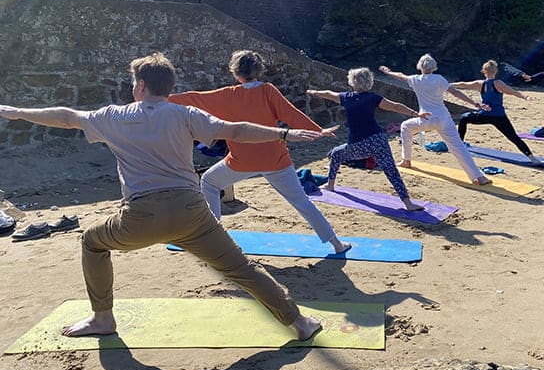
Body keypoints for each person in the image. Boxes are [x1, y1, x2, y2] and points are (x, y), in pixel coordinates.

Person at [0, 52, 328, 340]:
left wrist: (15, 111)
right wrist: (283, 132)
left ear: (140, 86)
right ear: (169, 87)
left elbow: (67, 116)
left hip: (141, 217)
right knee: (241, 268)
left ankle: (103, 318)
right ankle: (298, 322)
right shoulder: (184, 113)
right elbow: (237, 129)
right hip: (193, 214)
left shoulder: (113, 116)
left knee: (91, 241)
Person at [169, 50, 350, 254]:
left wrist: (161, 99)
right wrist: (319, 130)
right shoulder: (267, 90)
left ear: (236, 73)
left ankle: (213, 237)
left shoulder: (229, 94)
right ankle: (336, 244)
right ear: (258, 71)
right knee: (301, 202)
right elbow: (291, 113)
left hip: (241, 162)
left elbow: (195, 99)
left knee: (209, 183)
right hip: (275, 161)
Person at [307, 67, 431, 211]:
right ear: (370, 82)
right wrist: (416, 114)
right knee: (391, 170)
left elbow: (328, 94)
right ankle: (408, 203)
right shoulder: (373, 98)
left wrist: (314, 92)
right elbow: (395, 106)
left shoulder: (346, 98)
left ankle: (330, 185)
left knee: (335, 154)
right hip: (378, 140)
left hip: (358, 145)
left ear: (352, 82)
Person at [379, 54, 493, 186]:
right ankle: (479, 177)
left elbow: (400, 76)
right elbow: (455, 93)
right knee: (458, 147)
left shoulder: (415, 79)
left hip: (425, 119)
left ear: (420, 67)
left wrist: (387, 72)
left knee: (405, 126)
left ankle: (406, 160)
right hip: (444, 118)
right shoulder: (439, 79)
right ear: (434, 67)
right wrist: (475, 104)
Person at [450, 60, 538, 160]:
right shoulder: (498, 83)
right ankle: (532, 158)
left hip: (484, 115)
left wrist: (447, 84)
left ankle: (459, 145)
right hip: (499, 116)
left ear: (483, 71)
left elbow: (463, 84)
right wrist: (525, 97)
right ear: (495, 71)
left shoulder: (479, 84)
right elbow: (513, 92)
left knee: (464, 118)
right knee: (513, 137)